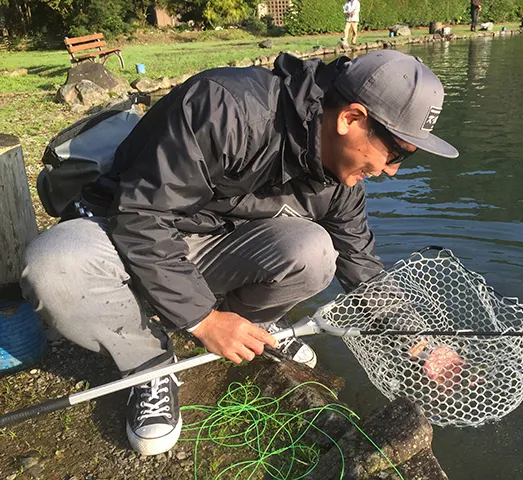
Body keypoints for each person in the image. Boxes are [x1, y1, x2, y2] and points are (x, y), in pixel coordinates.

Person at [20, 49, 458, 457]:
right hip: (128, 225)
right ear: (351, 118)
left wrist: (419, 341)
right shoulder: (227, 107)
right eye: (396, 152)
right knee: (52, 266)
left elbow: (360, 263)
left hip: (214, 245)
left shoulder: (339, 178)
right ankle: (149, 367)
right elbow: (142, 217)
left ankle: (249, 323)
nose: (392, 171)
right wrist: (204, 320)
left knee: (316, 250)